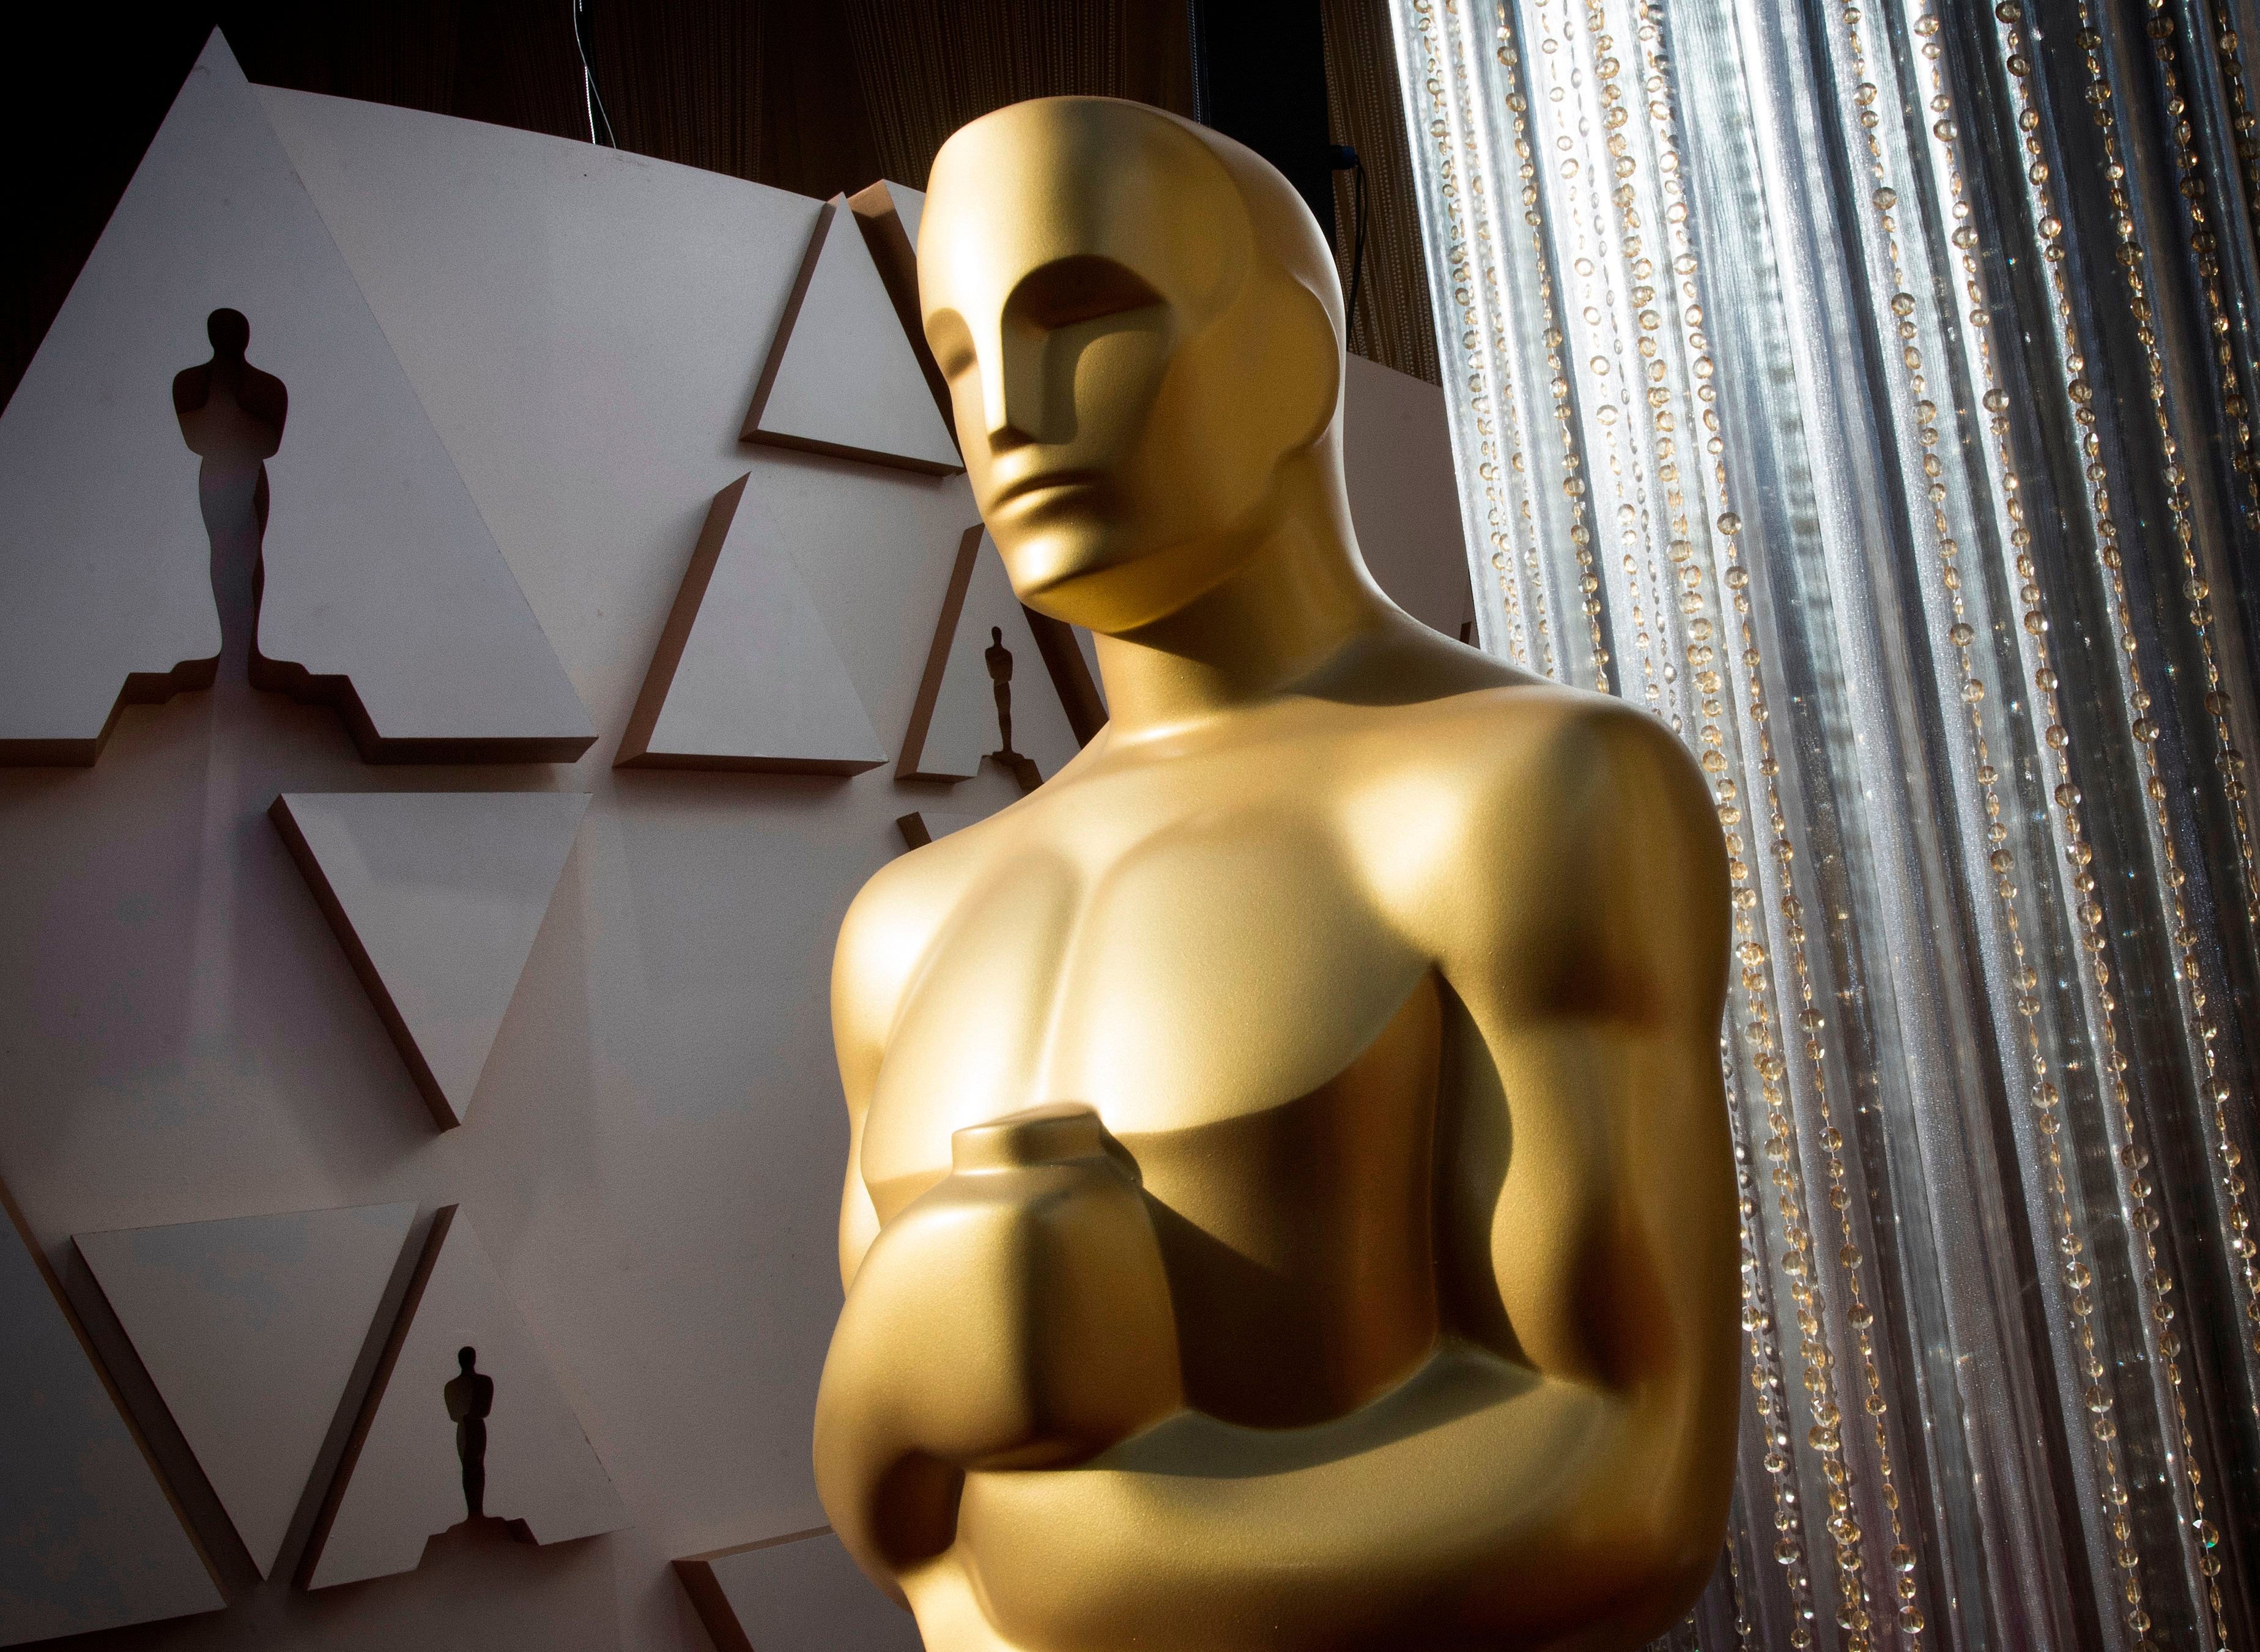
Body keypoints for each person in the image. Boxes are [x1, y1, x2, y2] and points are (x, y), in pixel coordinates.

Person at [813, 97, 1736, 1652]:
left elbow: (1624, 1476)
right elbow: (898, 1522)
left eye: (1085, 316)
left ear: (1293, 355)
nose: (1010, 412)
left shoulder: (1527, 792)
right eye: (963, 355)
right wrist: (900, 1370)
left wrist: (1090, 1548)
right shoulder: (903, 928)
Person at [172, 308, 286, 681]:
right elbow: (194, 439)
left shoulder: (268, 386)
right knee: (223, 555)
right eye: (222, 331)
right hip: (218, 478)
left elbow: (269, 443)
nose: (229, 338)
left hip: (248, 476)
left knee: (249, 553)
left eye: (235, 331)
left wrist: (229, 427)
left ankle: (247, 651)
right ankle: (232, 650)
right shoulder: (189, 382)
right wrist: (237, 428)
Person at [443, 1346, 493, 1521]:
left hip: (474, 1427)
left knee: (476, 1465)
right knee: (469, 1466)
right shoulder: (454, 1386)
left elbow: (484, 1409)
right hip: (466, 1428)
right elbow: (454, 1413)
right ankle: (473, 1511)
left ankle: (476, 1511)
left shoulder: (483, 1382)